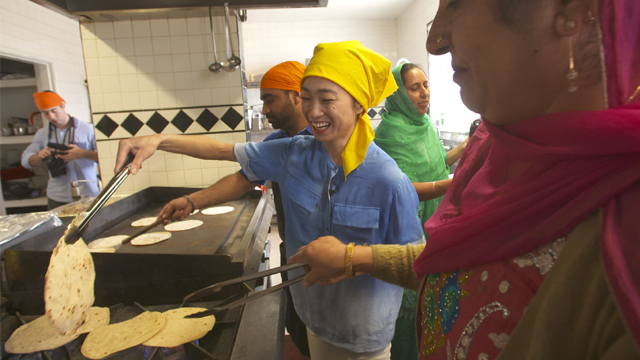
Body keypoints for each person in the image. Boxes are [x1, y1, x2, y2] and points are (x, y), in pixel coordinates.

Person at [289, 0, 640, 359]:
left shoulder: (626, 234)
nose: (435, 41)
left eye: (456, 4)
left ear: (572, 11)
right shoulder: (491, 148)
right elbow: (455, 264)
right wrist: (354, 258)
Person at [115, 41, 425, 360]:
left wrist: (351, 259)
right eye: (307, 99)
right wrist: (159, 140)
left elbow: (419, 266)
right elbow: (222, 151)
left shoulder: (388, 180)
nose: (314, 111)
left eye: (327, 99)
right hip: (314, 319)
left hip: (362, 332)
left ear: (359, 104)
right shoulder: (294, 153)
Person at [156, 60, 313, 357]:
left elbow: (220, 152)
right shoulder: (276, 141)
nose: (265, 109)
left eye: (270, 98)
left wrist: (160, 141)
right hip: (294, 255)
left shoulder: (320, 142)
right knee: (304, 336)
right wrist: (191, 202)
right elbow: (241, 181)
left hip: (326, 258)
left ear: (296, 95)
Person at [373, 63, 466, 360]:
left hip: (437, 222)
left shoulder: (424, 125)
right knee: (410, 303)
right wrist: (448, 186)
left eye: (426, 85)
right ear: (399, 94)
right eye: (414, 88)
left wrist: (467, 147)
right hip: (409, 228)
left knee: (436, 301)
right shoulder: (390, 131)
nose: (424, 93)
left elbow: (437, 165)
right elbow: (402, 188)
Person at [21, 91, 99, 209]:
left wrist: (83, 153)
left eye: (54, 111)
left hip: (88, 193)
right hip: (57, 196)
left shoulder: (88, 129)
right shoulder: (42, 133)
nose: (51, 117)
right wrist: (38, 156)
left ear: (62, 106)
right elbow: (26, 160)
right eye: (45, 113)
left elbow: (105, 158)